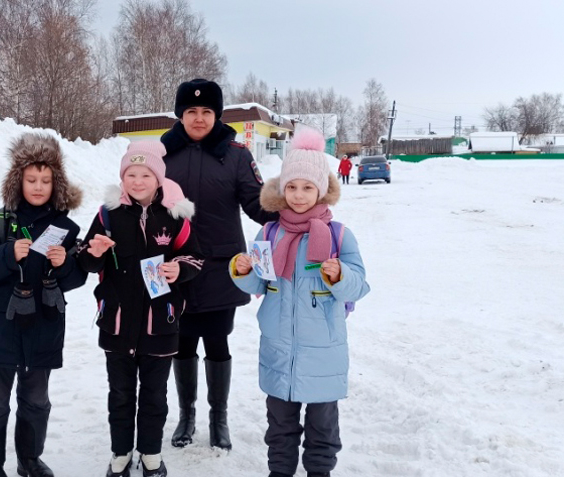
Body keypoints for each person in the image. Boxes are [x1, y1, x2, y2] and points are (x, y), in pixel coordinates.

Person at [229, 128, 370, 477]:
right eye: (291, 186)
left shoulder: (339, 235)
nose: (299, 195)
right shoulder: (269, 233)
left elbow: (359, 287)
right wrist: (242, 269)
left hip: (323, 351)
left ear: (322, 189)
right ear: (282, 189)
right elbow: (258, 284)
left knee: (322, 430)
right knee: (279, 429)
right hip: (278, 350)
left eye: (308, 187)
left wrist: (339, 276)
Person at [160, 78, 277, 451]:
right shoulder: (162, 152)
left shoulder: (237, 154)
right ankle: (187, 415)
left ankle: (218, 417)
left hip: (221, 266)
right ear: (180, 115)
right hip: (174, 266)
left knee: (216, 342)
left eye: (206, 112)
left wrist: (293, 215)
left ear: (216, 115)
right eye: (191, 111)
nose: (198, 118)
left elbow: (256, 205)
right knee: (181, 343)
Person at [76, 141, 204, 477]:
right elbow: (88, 262)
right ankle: (120, 454)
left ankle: (150, 454)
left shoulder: (176, 215)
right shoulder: (108, 214)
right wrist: (96, 251)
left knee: (154, 397)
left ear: (158, 178)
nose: (137, 180)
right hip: (116, 324)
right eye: (130, 174)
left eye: (145, 173)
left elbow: (195, 257)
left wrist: (180, 269)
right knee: (119, 394)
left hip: (160, 324)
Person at [0, 133, 86, 477]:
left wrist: (64, 264)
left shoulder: (65, 227)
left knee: (35, 401)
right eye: (31, 179)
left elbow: (75, 281)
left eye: (46, 181)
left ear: (56, 183)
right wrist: (7, 253)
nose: (38, 186)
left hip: (43, 326)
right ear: (18, 181)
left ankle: (29, 459)